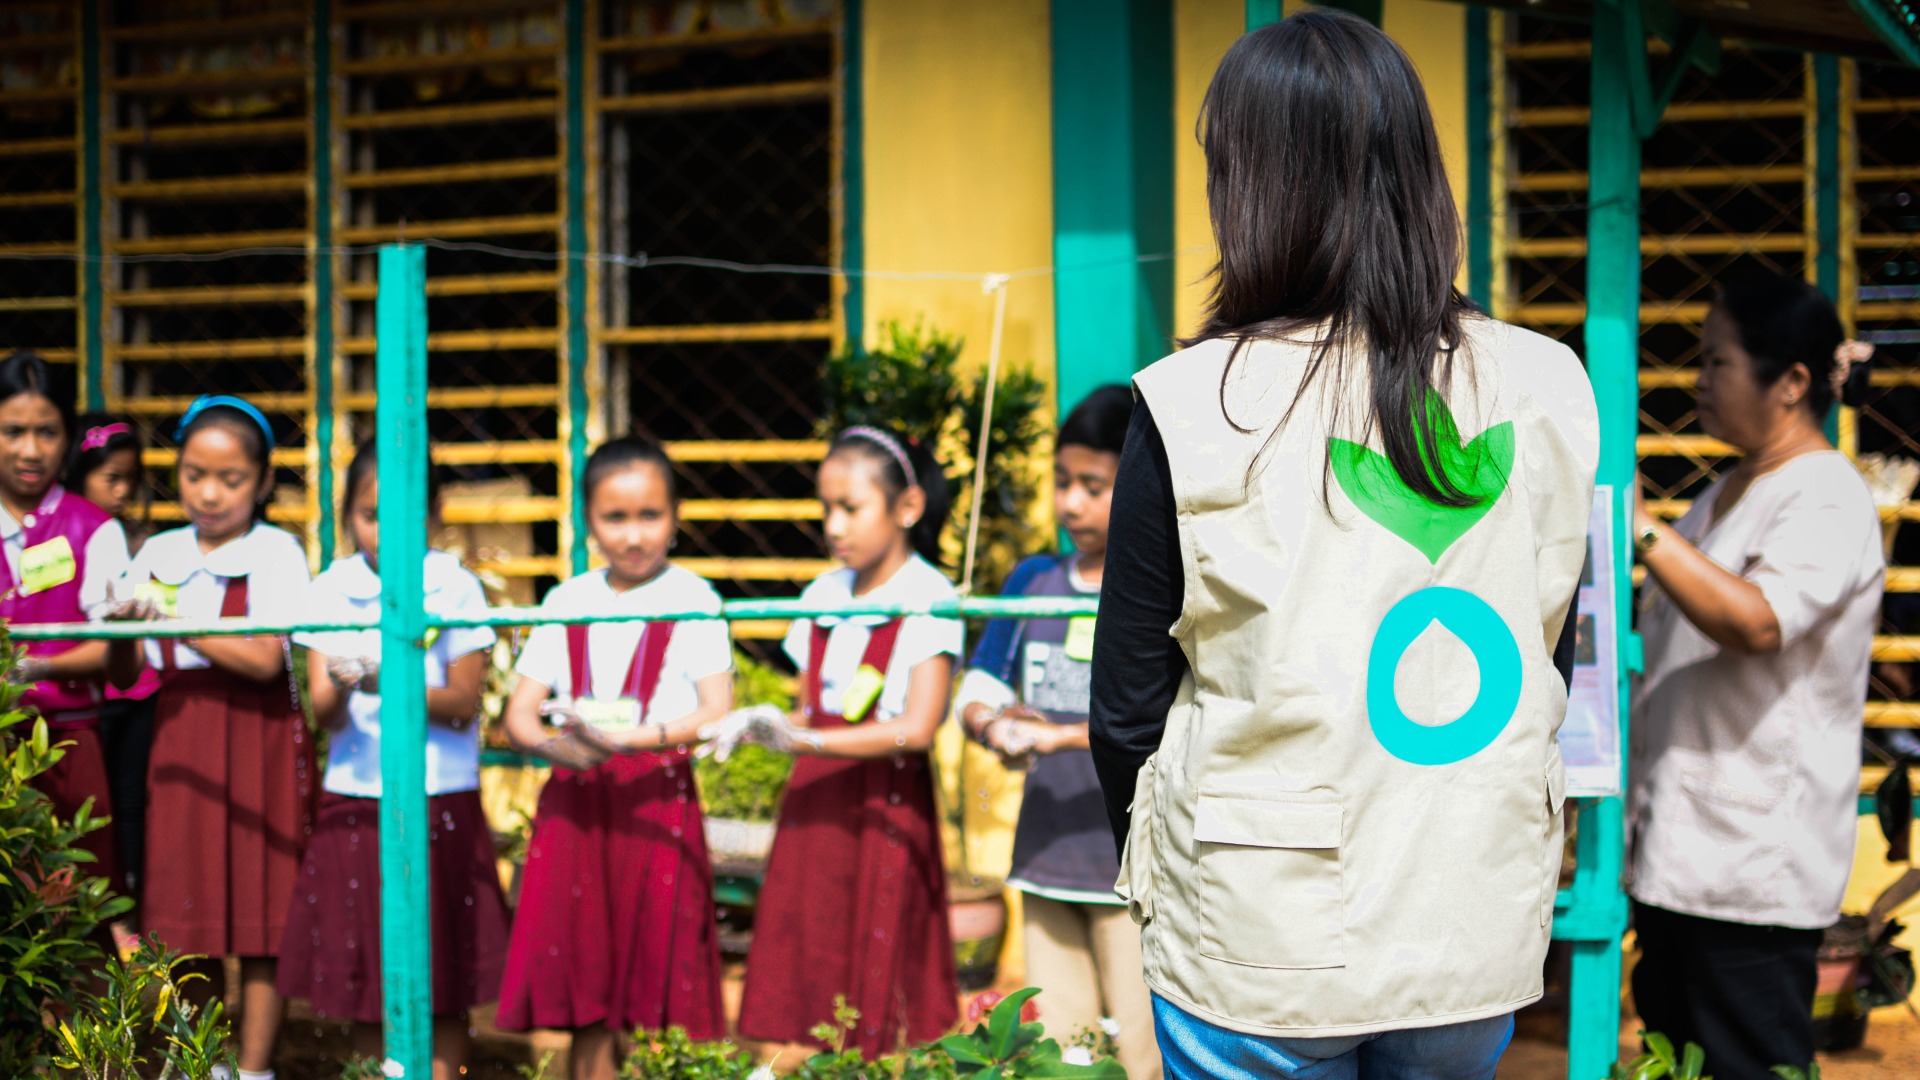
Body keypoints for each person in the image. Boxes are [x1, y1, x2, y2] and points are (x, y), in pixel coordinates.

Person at [1087, 12, 1599, 1080]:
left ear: (1247, 187)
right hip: (1470, 911)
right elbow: (1545, 645)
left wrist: (1179, 870)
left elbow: (1128, 710)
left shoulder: (1193, 401)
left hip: (1259, 929)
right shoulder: (1549, 383)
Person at [1628, 275, 1885, 1080]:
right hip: (1681, 853)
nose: (1698, 379)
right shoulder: (1727, 492)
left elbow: (1758, 621)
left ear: (1793, 383)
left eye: (1718, 361)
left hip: (1752, 869)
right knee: (1678, 1061)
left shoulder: (1826, 495)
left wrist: (1639, 527)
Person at [496, 435, 733, 1080]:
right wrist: (557, 747)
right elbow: (520, 713)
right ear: (588, 521)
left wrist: (633, 739)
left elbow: (715, 708)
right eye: (615, 517)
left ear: (676, 516)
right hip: (577, 799)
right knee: (587, 975)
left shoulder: (695, 598)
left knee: (660, 970)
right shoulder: (567, 600)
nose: (633, 535)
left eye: (650, 516)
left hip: (655, 799)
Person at [276, 439, 509, 1080]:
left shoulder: (455, 587)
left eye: (404, 516)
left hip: (440, 795)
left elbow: (463, 703)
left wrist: (391, 680)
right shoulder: (332, 590)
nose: (386, 531)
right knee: (365, 976)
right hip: (357, 796)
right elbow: (324, 714)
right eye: (370, 515)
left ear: (433, 514)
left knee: (444, 976)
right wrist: (342, 677)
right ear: (348, 516)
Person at [734, 425, 962, 1056]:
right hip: (815, 797)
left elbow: (917, 728)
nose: (834, 526)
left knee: (879, 954)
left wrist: (804, 741)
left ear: (907, 507)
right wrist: (767, 725)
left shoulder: (929, 596)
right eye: (826, 508)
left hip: (884, 798)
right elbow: (807, 706)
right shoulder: (822, 593)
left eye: (851, 508)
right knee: (810, 944)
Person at [955, 385, 1161, 1080]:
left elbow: (1169, 719)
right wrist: (992, 724)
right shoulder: (1033, 580)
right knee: (1064, 1053)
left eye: (1093, 487)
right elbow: (982, 682)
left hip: (1130, 865)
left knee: (1142, 1052)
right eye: (1062, 481)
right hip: (1045, 854)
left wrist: (1059, 737)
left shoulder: (1157, 584)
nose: (1071, 503)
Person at [106, 394, 315, 1080]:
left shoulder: (277, 552)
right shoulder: (159, 551)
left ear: (263, 481)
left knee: (260, 916)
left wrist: (174, 621)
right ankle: (207, 1065)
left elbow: (264, 660)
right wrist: (121, 625)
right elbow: (125, 672)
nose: (209, 493)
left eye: (230, 478)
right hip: (180, 742)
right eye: (194, 475)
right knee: (187, 918)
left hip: (256, 741)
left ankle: (254, 1068)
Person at [0, 355, 133, 893]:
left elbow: (113, 649)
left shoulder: (94, 529)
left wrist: (33, 668)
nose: (31, 450)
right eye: (13, 431)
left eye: (47, 432)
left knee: (77, 899)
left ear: (69, 437)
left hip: (69, 746)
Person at [65, 411, 155, 905]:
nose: (122, 492)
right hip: (85, 696)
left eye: (130, 481)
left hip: (135, 688)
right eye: (111, 478)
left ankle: (127, 898)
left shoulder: (132, 536)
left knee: (129, 799)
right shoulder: (70, 531)